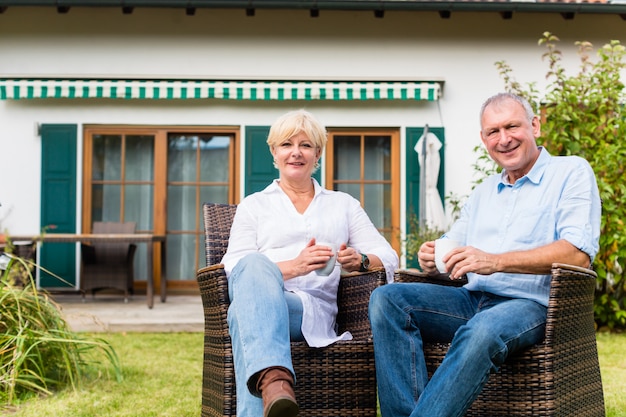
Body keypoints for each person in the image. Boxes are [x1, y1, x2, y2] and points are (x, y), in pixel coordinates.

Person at [369, 92, 601, 417]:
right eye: (493, 131)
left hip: (531, 306)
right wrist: (433, 255)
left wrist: (495, 261)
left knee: (483, 329)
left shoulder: (570, 172)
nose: (504, 139)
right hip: (472, 300)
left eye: (512, 127)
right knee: (388, 299)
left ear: (535, 125)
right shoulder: (483, 192)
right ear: (484, 138)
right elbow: (455, 248)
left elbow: (577, 254)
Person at [221, 109, 399, 417]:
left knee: (242, 313)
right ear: (274, 152)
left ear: (317, 153)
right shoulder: (254, 206)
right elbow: (234, 267)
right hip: (264, 299)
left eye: (305, 145)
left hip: (311, 312)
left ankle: (274, 384)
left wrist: (361, 259)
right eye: (287, 144)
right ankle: (275, 384)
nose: (296, 153)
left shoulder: (343, 205)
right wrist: (295, 265)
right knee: (249, 272)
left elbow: (389, 257)